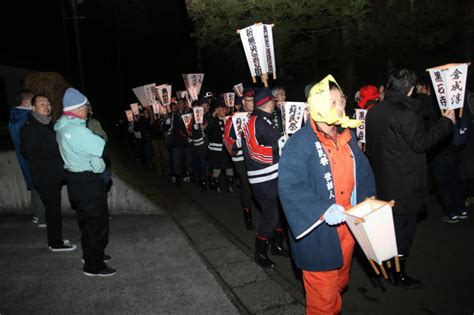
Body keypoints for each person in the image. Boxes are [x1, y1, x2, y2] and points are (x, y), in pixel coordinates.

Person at [278, 75, 375, 314]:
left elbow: (362, 173)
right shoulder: (299, 144)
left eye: (341, 100)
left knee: (339, 284)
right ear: (317, 106)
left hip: (347, 228)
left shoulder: (346, 137)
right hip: (319, 231)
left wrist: (368, 203)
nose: (341, 106)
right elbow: (290, 187)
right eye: (333, 102)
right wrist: (322, 209)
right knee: (323, 299)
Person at [365, 68, 455, 288]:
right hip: (403, 185)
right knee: (403, 232)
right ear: (411, 88)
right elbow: (421, 143)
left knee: (388, 230)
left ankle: (384, 268)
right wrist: (446, 123)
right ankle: (398, 274)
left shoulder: (374, 111)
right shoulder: (406, 112)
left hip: (381, 180)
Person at [55, 87, 115, 277]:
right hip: (87, 181)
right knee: (96, 223)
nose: (87, 110)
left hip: (77, 181)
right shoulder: (77, 131)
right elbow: (104, 149)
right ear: (78, 109)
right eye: (85, 106)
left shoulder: (63, 126)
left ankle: (93, 255)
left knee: (88, 223)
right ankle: (93, 266)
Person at [20, 94, 77, 252]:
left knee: (53, 209)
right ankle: (55, 243)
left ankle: (55, 238)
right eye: (42, 104)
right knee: (53, 211)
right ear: (33, 108)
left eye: (48, 103)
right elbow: (27, 152)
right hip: (45, 176)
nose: (47, 106)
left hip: (53, 174)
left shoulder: (48, 124)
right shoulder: (30, 127)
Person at [242, 87, 289, 268]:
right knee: (270, 214)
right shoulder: (254, 122)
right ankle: (260, 253)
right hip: (263, 178)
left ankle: (276, 245)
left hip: (275, 174)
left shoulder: (267, 120)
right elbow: (254, 151)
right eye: (273, 102)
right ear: (269, 103)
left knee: (280, 211)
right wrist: (277, 148)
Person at [8, 89, 46, 226]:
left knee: (34, 186)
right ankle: (43, 219)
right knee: (41, 186)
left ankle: (37, 215)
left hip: (25, 159)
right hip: (35, 158)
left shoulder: (14, 117)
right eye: (33, 100)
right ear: (26, 102)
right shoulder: (28, 117)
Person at [224, 89, 255, 230]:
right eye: (249, 101)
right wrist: (239, 142)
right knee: (246, 189)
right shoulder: (235, 118)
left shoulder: (257, 116)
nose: (253, 103)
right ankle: (247, 216)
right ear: (243, 102)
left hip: (256, 158)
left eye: (254, 100)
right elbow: (227, 140)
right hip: (241, 159)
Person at [207, 96, 234, 193]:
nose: (224, 111)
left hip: (227, 149)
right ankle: (216, 185)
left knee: (229, 168)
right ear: (217, 110)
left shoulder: (228, 119)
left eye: (224, 109)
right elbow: (207, 130)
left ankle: (230, 185)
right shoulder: (212, 120)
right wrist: (213, 116)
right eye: (222, 109)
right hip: (216, 150)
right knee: (217, 169)